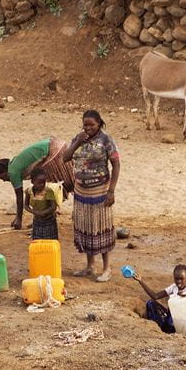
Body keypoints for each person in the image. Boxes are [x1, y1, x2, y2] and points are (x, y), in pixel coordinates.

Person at [62, 110, 121, 282]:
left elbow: (116, 164)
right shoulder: (78, 138)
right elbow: (65, 158)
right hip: (81, 191)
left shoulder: (106, 140)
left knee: (101, 228)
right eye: (85, 125)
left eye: (91, 125)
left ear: (99, 124)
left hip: (100, 191)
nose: (88, 128)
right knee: (85, 228)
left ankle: (106, 268)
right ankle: (89, 266)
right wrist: (77, 142)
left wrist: (111, 191)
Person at [0, 137, 74, 230]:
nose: (4, 180)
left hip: (54, 151)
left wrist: (18, 219)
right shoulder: (14, 164)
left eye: (2, 177)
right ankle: (45, 218)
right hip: (56, 145)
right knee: (50, 186)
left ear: (5, 172)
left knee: (52, 188)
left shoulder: (12, 172)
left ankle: (44, 220)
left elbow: (19, 197)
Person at [130, 265, 186, 334]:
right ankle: (154, 328)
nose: (178, 281)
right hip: (169, 317)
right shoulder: (174, 287)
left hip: (179, 321)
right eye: (176, 279)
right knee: (150, 303)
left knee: (171, 320)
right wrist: (141, 281)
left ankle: (165, 329)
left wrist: (182, 298)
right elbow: (155, 296)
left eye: (181, 279)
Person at [24, 168, 59, 240]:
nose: (42, 185)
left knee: (49, 242)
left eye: (44, 182)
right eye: (39, 182)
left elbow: (53, 207)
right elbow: (26, 206)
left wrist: (43, 212)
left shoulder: (48, 191)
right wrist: (36, 212)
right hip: (37, 221)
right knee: (38, 241)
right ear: (32, 181)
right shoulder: (29, 191)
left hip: (49, 221)